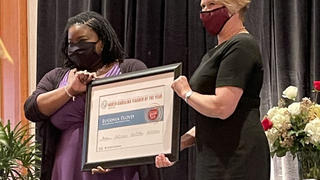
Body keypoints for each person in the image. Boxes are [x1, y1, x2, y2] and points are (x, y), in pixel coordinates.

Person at [24, 11, 147, 180]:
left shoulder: (130, 69)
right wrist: (69, 90)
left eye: (82, 42)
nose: (75, 48)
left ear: (102, 43)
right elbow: (32, 109)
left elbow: (148, 116)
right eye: (70, 44)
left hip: (118, 169)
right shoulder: (57, 77)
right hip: (66, 169)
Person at [155, 0, 270, 179]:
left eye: (212, 4)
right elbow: (208, 118)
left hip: (237, 156)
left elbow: (222, 108)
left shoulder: (241, 45)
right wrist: (177, 145)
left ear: (233, 7)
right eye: (202, 6)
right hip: (214, 156)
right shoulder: (215, 52)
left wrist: (186, 93)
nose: (205, 11)